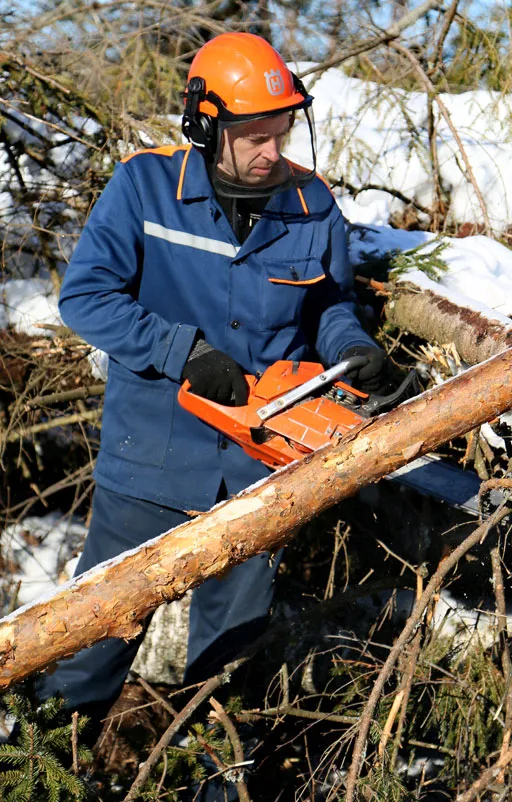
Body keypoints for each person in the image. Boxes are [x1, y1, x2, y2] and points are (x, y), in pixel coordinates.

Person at [38, 32, 390, 736]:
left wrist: (352, 346)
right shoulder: (144, 189)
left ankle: (216, 781)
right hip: (150, 466)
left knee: (231, 672)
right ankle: (42, 763)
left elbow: (329, 305)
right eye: (254, 135)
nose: (271, 151)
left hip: (259, 474)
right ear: (205, 126)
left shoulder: (312, 204)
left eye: (280, 132)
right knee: (90, 648)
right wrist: (180, 351)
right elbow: (86, 297)